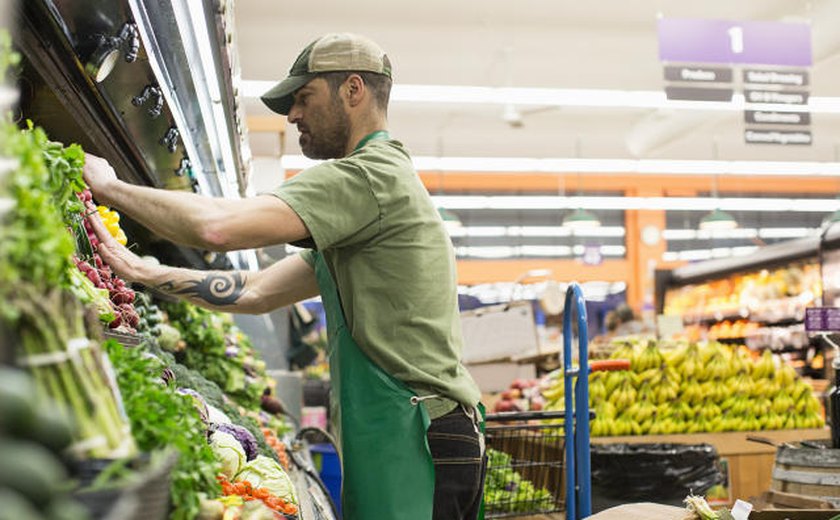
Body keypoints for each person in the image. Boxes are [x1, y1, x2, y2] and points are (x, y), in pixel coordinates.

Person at [83, 33, 486, 520]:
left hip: (414, 431)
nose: (292, 116)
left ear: (353, 90)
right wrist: (146, 271)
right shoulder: (371, 201)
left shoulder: (367, 177)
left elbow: (218, 226)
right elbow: (254, 292)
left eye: (303, 98)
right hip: (412, 431)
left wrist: (111, 187)